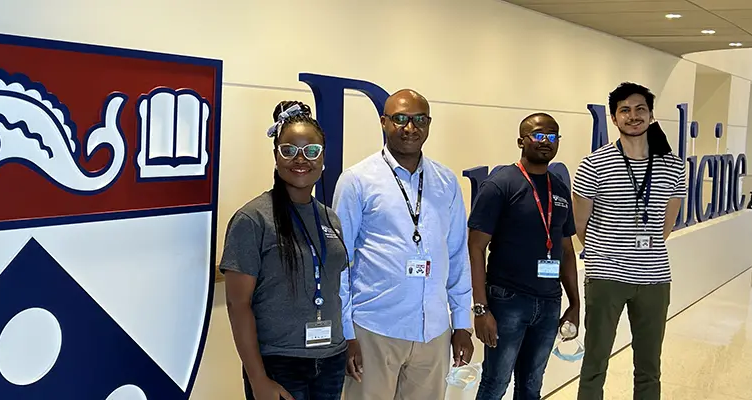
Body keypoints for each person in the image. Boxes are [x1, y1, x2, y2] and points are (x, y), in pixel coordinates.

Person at [332, 89, 475, 399]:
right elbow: (339, 262)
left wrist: (462, 323)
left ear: (429, 124)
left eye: (419, 120)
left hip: (434, 332)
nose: (410, 128)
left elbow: (457, 257)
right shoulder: (357, 180)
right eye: (400, 119)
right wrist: (346, 333)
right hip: (375, 328)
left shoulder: (446, 182)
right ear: (384, 122)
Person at [221, 101, 351, 400]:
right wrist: (258, 379)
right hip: (279, 363)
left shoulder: (329, 218)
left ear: (323, 158)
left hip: (330, 359)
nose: (301, 159)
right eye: (289, 150)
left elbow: (334, 290)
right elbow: (237, 306)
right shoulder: (253, 219)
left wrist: (347, 343)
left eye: (312, 150)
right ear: (276, 156)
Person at [572, 83, 687, 400]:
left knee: (649, 367)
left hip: (654, 278)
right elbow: (580, 224)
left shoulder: (673, 166)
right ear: (613, 117)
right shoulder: (594, 164)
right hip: (606, 277)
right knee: (595, 363)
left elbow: (667, 224)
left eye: (640, 109)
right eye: (625, 109)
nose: (633, 116)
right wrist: (608, 251)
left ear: (651, 116)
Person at [468, 113, 581, 400]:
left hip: (549, 303)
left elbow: (566, 250)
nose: (546, 142)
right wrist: (481, 308)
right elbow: (476, 246)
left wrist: (575, 304)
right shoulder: (501, 184)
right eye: (538, 135)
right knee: (495, 383)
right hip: (507, 301)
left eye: (552, 136)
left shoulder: (559, 188)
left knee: (532, 385)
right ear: (521, 141)